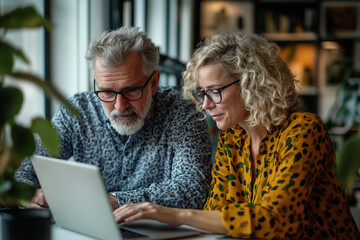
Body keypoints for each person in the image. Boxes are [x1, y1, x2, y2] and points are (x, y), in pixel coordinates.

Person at [112, 32, 360, 239]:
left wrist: (174, 215)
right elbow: (217, 212)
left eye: (215, 91)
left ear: (252, 85)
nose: (206, 105)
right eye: (202, 94)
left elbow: (275, 221)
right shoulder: (232, 139)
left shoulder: (303, 130)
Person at [15, 26, 212, 211]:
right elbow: (27, 168)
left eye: (131, 90)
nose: (120, 106)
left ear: (153, 83)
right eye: (107, 92)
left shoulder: (184, 113)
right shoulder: (77, 111)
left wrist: (113, 201)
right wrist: (31, 194)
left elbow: (192, 190)